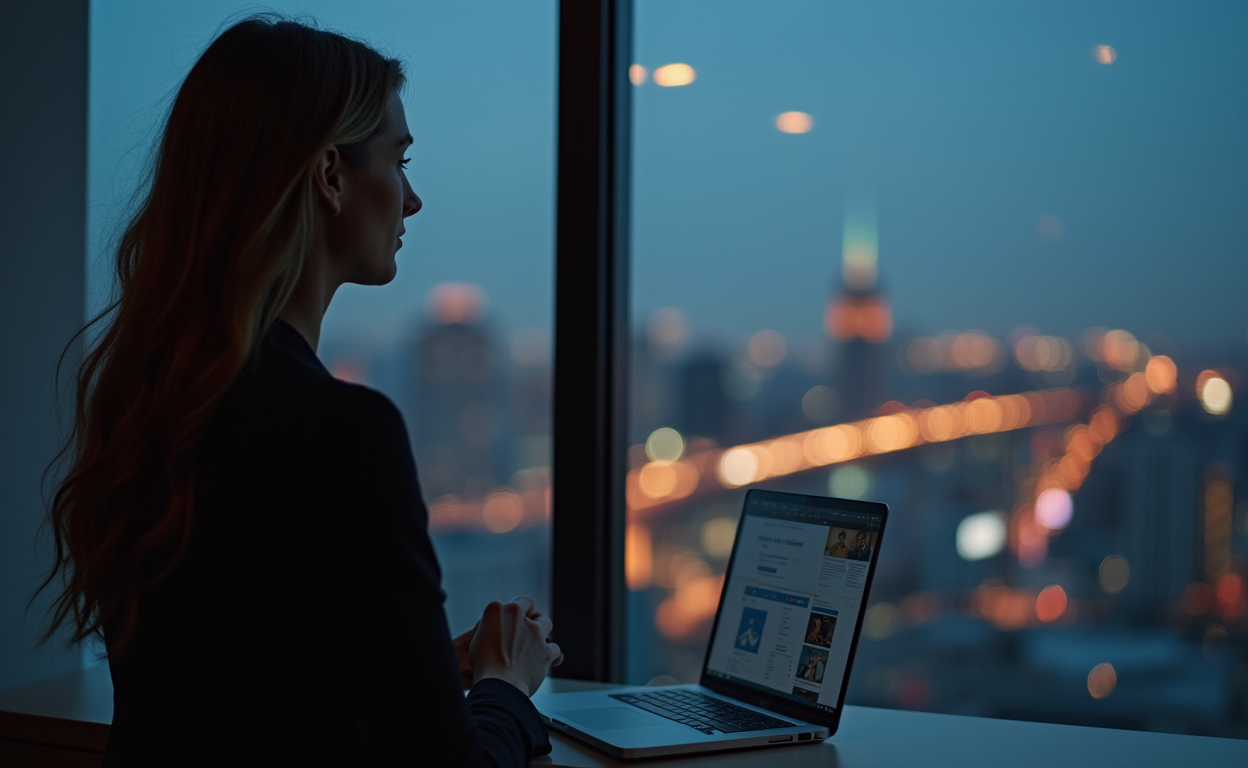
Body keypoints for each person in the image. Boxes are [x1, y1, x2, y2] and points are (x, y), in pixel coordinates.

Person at [38, 16, 560, 767]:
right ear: (329, 175)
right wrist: (507, 685)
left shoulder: (148, 404)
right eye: (399, 160)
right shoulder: (341, 431)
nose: (412, 200)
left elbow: (235, 692)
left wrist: (411, 669)